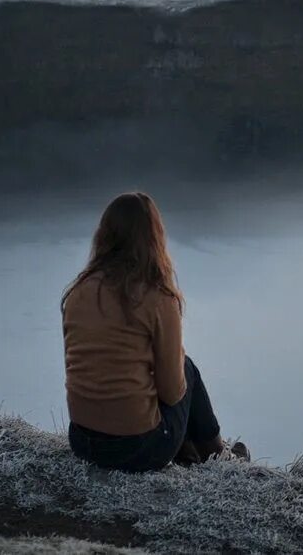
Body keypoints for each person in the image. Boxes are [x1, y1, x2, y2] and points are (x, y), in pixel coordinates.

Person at [61, 192, 249, 472]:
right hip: (136, 450)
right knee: (186, 369)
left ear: (104, 235)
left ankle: (189, 452)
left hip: (83, 441)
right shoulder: (157, 297)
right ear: (153, 239)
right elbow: (173, 392)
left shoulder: (77, 292)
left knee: (153, 376)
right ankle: (218, 457)